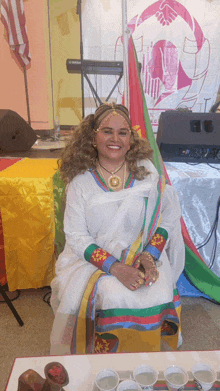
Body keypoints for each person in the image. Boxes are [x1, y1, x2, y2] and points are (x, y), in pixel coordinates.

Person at [50, 103, 185, 355]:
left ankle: (146, 358)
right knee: (113, 292)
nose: (115, 139)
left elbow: (168, 215)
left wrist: (150, 256)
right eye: (107, 131)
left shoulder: (146, 174)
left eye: (123, 132)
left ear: (130, 138)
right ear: (93, 136)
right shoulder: (81, 182)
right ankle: (109, 360)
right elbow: (77, 237)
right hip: (93, 259)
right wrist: (117, 268)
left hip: (144, 253)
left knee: (157, 287)